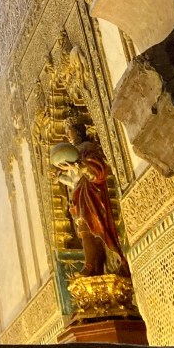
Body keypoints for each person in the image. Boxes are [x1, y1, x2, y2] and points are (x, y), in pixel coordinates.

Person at [50, 117, 129, 277]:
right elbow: (74, 182)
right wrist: (59, 177)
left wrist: (80, 166)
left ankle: (92, 265)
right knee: (83, 230)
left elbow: (98, 170)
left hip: (92, 194)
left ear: (78, 131)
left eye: (69, 130)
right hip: (79, 195)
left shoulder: (86, 147)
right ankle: (93, 266)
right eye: (65, 132)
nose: (67, 134)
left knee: (91, 227)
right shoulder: (73, 155)